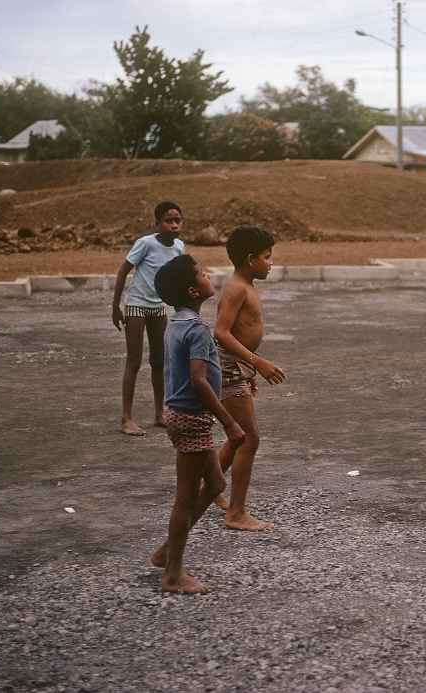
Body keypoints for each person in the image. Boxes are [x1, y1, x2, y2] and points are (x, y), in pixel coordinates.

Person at [150, 254, 245, 594]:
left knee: (217, 485)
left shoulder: (176, 323)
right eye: (202, 273)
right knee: (185, 500)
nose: (208, 275)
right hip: (191, 418)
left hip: (183, 415)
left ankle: (166, 551)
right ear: (193, 290)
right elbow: (199, 381)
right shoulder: (197, 330)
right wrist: (229, 422)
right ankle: (173, 574)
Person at [212, 225, 286, 531]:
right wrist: (258, 362)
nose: (271, 263)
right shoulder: (236, 288)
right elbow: (221, 332)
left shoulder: (246, 285)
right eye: (267, 257)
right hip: (228, 368)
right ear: (250, 258)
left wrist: (249, 370)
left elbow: (241, 332)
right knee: (249, 439)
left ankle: (208, 489)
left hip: (236, 369)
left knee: (237, 437)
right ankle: (236, 513)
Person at [111, 201, 185, 436]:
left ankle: (159, 414)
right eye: (168, 220)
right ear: (157, 223)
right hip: (136, 306)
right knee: (134, 360)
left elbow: (178, 278)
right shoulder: (145, 243)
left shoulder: (179, 247)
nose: (174, 225)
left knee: (159, 361)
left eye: (177, 220)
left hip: (158, 308)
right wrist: (115, 306)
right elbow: (124, 270)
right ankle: (126, 418)